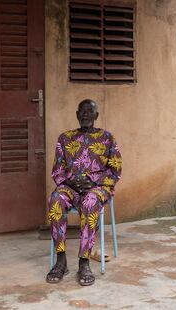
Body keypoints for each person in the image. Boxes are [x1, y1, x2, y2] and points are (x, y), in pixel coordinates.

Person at [46, 99, 122, 286]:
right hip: (70, 186)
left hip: (96, 188)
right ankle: (61, 260)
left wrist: (93, 181)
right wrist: (69, 181)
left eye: (90, 111)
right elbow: (57, 170)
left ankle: (84, 262)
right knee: (55, 199)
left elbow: (115, 169)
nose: (85, 115)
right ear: (77, 114)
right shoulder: (65, 138)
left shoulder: (107, 138)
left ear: (96, 116)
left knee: (90, 203)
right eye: (82, 111)